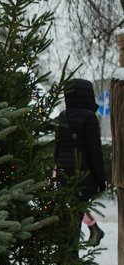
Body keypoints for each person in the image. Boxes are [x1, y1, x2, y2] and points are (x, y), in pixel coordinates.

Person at [54, 78, 108, 246]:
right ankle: (91, 233)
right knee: (76, 209)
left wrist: (55, 168)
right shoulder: (90, 118)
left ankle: (76, 246)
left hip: (64, 172)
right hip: (83, 173)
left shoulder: (62, 116)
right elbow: (95, 151)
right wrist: (101, 178)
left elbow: (57, 147)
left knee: (71, 210)